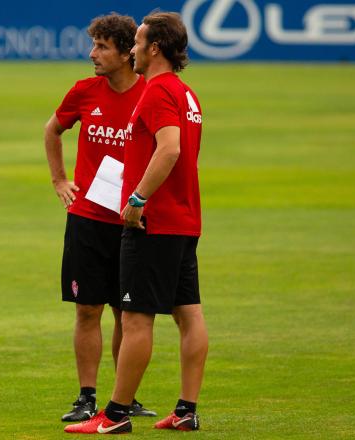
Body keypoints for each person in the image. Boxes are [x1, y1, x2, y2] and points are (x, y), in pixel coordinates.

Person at [64, 11, 208, 434]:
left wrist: (137, 199)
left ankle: (115, 415)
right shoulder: (188, 94)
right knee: (189, 315)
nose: (133, 49)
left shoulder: (157, 91)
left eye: (138, 41)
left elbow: (170, 150)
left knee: (136, 319)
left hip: (154, 224)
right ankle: (186, 410)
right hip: (186, 220)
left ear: (154, 48)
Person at [44, 13, 156, 423]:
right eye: (93, 45)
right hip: (88, 220)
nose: (92, 54)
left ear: (128, 53)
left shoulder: (151, 94)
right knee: (87, 310)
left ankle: (122, 399)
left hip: (132, 222)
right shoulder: (84, 92)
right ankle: (86, 397)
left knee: (129, 313)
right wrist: (59, 179)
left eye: (102, 47)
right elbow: (52, 130)